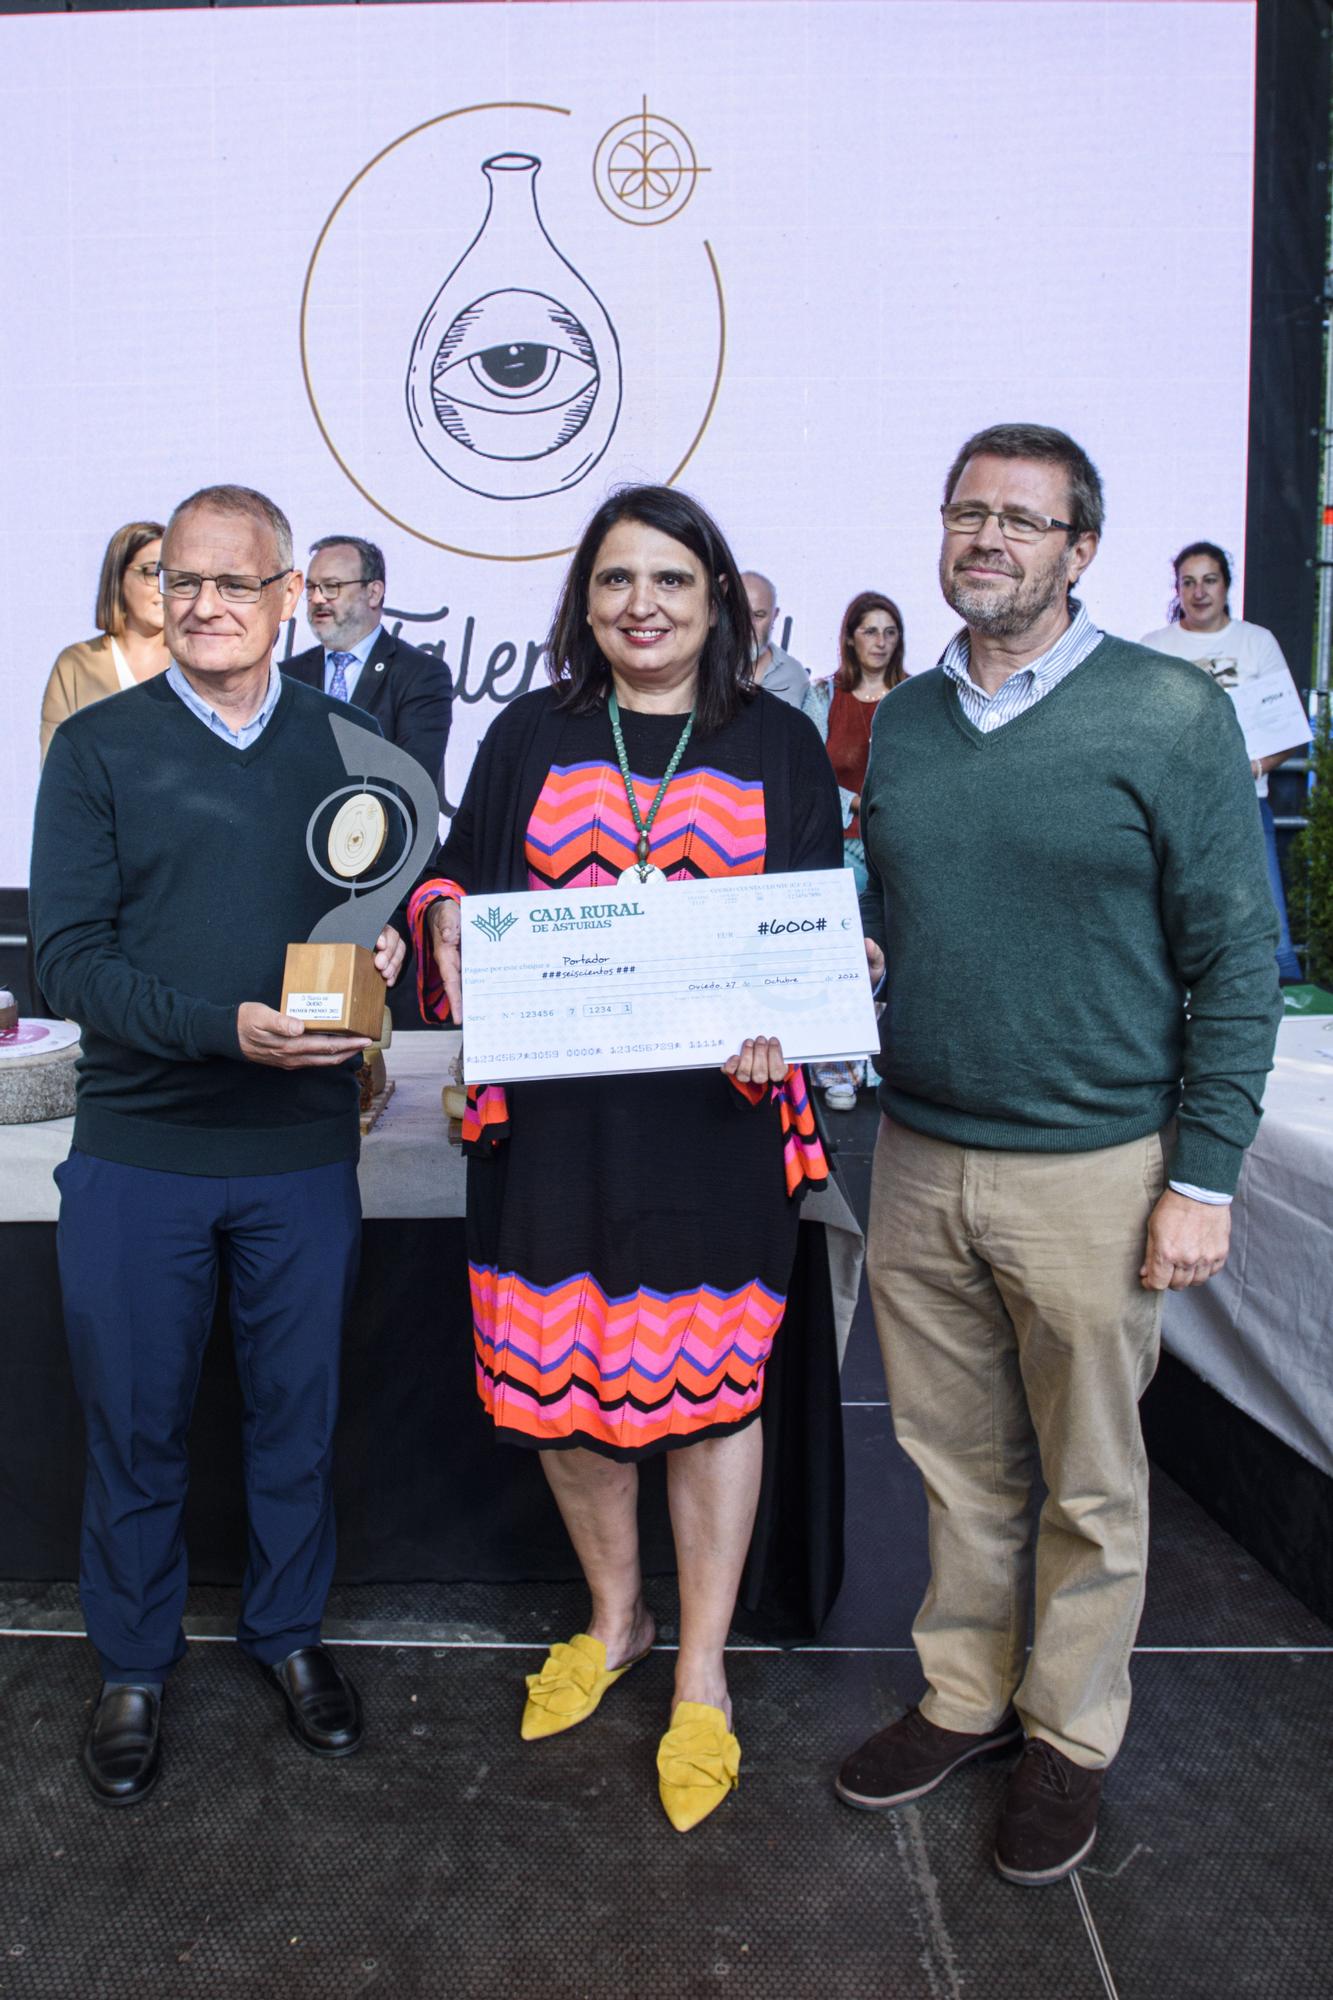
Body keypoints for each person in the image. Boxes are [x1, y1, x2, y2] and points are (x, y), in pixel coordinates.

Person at [837, 424, 1281, 1885]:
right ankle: (965, 1693)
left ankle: (1069, 1733)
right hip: (920, 1152)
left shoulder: (1163, 716)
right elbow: (897, 919)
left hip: (1096, 1163)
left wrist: (1201, 1176)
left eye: (1022, 521)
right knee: (953, 1462)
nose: (987, 540)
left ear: (1080, 550)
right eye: (966, 511)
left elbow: (1234, 960)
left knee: (1091, 1479)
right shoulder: (901, 723)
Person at [409, 486, 843, 1832]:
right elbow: (454, 877)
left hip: (711, 1132)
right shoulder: (525, 734)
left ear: (716, 600)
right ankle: (618, 1619)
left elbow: (813, 926)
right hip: (550, 1128)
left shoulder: (777, 745)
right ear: (581, 601)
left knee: (707, 1402)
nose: (639, 605)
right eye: (613, 581)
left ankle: (702, 1671)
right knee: (560, 1387)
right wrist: (442, 930)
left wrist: (798, 1013)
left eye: (669, 580)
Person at [31, 483, 405, 1808]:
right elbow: (68, 962)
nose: (202, 604)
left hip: (299, 1153)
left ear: (287, 594)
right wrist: (219, 1030)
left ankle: (289, 1637)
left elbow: (364, 917)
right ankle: (131, 1666)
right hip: (139, 1152)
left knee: (294, 1419)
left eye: (233, 585)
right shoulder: (98, 747)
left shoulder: (347, 745)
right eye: (181, 581)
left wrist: (389, 953)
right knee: (133, 1426)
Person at [1141, 542, 1307, 982]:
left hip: (1244, 804)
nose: (1199, 592)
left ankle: (1286, 1032)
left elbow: (1289, 727)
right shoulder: (1154, 647)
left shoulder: (1256, 641)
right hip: (1177, 811)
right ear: (1177, 590)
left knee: (1274, 938)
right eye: (1188, 582)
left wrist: (1254, 768)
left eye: (1209, 580)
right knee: (1172, 927)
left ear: (1226, 585)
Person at [802, 593, 906, 1109]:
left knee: (892, 955)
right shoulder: (822, 696)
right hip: (841, 849)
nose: (880, 642)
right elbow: (810, 772)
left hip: (897, 848)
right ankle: (838, 1068)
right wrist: (859, 801)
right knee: (843, 959)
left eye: (889, 632)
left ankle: (884, 1065)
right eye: (870, 631)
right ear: (850, 636)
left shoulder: (914, 697)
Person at [283, 534, 454, 797]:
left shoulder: (421, 675)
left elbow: (411, 784)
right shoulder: (286, 676)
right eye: (311, 588)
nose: (317, 599)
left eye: (331, 586)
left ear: (373, 593)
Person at [40, 520, 170, 760]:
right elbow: (55, 769)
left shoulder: (195, 662)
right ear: (118, 578)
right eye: (152, 572)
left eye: (172, 575)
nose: (163, 587)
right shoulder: (76, 665)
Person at [740, 569, 810, 707]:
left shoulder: (795, 676)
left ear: (775, 616)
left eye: (758, 615)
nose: (748, 625)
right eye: (739, 613)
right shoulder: (700, 666)